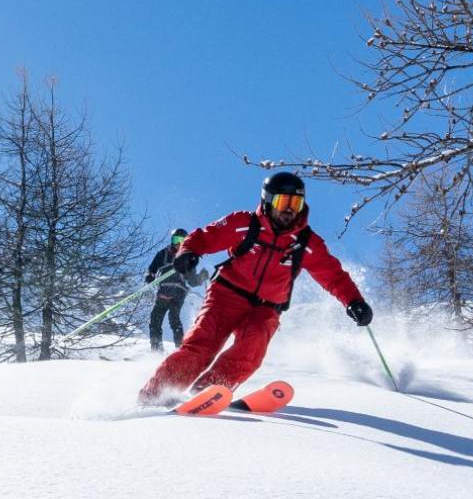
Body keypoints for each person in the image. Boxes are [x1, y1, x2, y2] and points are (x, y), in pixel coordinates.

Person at [137, 171, 374, 405]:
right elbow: (205, 236)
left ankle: (206, 393)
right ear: (268, 201)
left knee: (251, 350)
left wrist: (354, 301)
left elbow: (333, 275)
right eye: (283, 202)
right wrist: (188, 252)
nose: (290, 209)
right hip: (226, 296)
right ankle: (155, 395)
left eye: (296, 202)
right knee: (201, 346)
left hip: (266, 309)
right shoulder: (244, 224)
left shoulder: (306, 243)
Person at [144, 228, 201, 351]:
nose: (179, 243)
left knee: (173, 317)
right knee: (155, 319)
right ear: (172, 240)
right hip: (164, 290)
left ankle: (179, 349)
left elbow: (192, 281)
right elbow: (152, 268)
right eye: (176, 240)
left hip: (178, 292)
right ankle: (156, 350)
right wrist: (149, 275)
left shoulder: (187, 258)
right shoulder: (163, 253)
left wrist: (201, 277)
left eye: (182, 240)